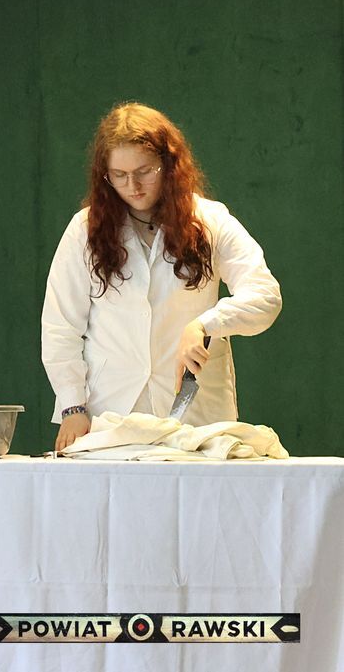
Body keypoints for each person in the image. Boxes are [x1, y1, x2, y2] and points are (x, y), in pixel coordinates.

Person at [42, 101, 282, 452]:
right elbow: (60, 327)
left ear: (169, 165)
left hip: (197, 418)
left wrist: (206, 325)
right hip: (110, 415)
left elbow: (265, 296)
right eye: (119, 175)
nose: (133, 186)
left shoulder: (210, 221)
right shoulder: (85, 230)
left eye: (145, 171)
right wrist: (72, 407)